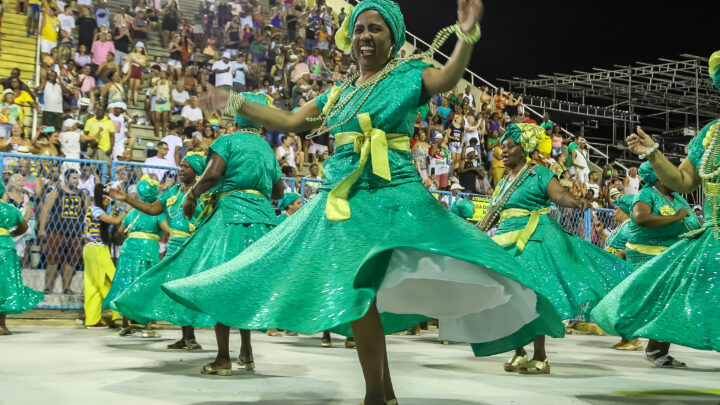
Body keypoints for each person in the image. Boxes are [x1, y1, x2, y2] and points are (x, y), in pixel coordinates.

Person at [163, 3, 566, 404]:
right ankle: (382, 394)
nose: (365, 37)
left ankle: (377, 396)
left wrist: (466, 34)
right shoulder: (340, 93)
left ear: (393, 39)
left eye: (375, 29)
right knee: (357, 293)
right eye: (358, 29)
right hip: (342, 199)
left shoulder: (407, 75)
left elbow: (448, 78)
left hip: (392, 195)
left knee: (361, 291)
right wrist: (232, 102)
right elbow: (287, 122)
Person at [119, 93, 284, 376]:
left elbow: (211, 176)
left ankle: (223, 359)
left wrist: (192, 195)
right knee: (244, 286)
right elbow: (279, 192)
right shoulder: (267, 149)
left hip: (231, 219)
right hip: (263, 223)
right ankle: (247, 352)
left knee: (221, 282)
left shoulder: (227, 141)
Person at [475, 123, 632, 375]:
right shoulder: (504, 182)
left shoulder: (539, 173)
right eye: (502, 148)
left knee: (534, 295)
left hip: (534, 240)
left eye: (510, 147)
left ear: (523, 148)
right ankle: (518, 351)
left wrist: (578, 201)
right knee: (509, 296)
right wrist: (471, 235)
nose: (504, 152)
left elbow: (560, 196)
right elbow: (493, 216)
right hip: (505, 242)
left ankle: (540, 356)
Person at [593, 159, 701, 367]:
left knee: (671, 305)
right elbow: (641, 218)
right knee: (661, 304)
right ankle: (650, 348)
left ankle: (659, 351)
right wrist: (676, 218)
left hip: (674, 259)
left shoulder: (678, 197)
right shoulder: (647, 194)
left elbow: (692, 222)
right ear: (660, 175)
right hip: (650, 259)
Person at [110, 154, 207, 350]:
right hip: (174, 246)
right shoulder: (172, 191)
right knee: (177, 290)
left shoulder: (205, 193)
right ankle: (185, 336)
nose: (180, 170)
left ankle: (191, 337)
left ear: (197, 170)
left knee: (189, 290)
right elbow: (154, 208)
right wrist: (127, 198)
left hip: (194, 246)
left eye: (186, 167)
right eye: (180, 166)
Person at [103, 176, 167, 337]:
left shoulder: (132, 212)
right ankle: (148, 328)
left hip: (129, 249)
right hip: (147, 250)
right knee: (146, 285)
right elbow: (168, 229)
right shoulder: (157, 212)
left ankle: (125, 325)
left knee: (127, 282)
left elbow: (120, 231)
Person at [0, 180, 43, 335]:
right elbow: (24, 226)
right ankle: (1, 325)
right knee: (5, 286)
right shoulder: (10, 210)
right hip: (6, 246)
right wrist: (11, 234)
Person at [83, 183, 126, 327]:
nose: (109, 202)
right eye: (108, 200)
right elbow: (114, 221)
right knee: (112, 280)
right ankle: (118, 312)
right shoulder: (95, 209)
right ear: (102, 198)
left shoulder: (96, 210)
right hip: (96, 249)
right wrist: (126, 210)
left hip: (96, 249)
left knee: (96, 285)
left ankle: (93, 320)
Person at [38, 169, 87, 294]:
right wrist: (42, 229)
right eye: (73, 178)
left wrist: (86, 232)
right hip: (57, 231)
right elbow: (45, 211)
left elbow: (87, 215)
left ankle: (66, 287)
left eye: (77, 178)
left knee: (71, 261)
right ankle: (48, 287)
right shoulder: (55, 194)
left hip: (75, 233)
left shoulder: (83, 195)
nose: (76, 181)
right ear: (67, 179)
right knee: (53, 260)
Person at [126, 43, 148, 107]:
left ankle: (135, 101)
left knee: (136, 87)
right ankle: (128, 99)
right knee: (130, 86)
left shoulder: (144, 56)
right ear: (135, 47)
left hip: (139, 70)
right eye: (137, 47)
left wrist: (135, 61)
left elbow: (144, 64)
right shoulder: (132, 54)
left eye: (140, 47)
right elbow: (127, 59)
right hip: (132, 69)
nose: (138, 48)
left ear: (142, 49)